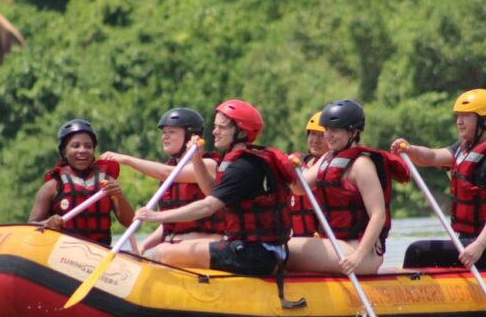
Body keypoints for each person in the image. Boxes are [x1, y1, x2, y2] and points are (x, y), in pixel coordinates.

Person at [134, 99, 296, 276]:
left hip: (257, 253)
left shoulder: (244, 167)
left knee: (162, 253)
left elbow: (208, 206)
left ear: (241, 132)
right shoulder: (234, 162)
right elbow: (211, 192)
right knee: (168, 249)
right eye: (215, 126)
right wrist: (197, 159)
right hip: (250, 248)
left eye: (222, 127)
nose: (214, 132)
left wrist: (156, 216)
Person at [392, 90, 486, 270]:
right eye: (458, 116)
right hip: (471, 242)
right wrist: (410, 150)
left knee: (418, 251)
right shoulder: (465, 149)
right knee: (423, 250)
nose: (459, 122)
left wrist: (479, 245)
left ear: (485, 120)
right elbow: (432, 157)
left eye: (466, 116)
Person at [288, 100, 408, 275]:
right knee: (279, 245)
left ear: (353, 132)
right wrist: (286, 170)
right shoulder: (328, 158)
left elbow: (378, 214)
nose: (328, 135)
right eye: (327, 129)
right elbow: (300, 189)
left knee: (284, 249)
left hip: (362, 252)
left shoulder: (362, 164)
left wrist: (358, 257)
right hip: (338, 245)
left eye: (334, 130)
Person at [100, 108, 223, 254]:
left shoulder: (208, 165)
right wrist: (143, 246)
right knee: (156, 253)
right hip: (172, 247)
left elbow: (166, 174)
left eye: (171, 132)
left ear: (191, 136)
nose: (165, 137)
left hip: (203, 245)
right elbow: (169, 225)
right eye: (164, 133)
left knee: (160, 252)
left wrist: (126, 160)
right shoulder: (170, 167)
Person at [29, 119, 135, 246]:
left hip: (99, 252)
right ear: (64, 151)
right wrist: (46, 223)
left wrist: (118, 195)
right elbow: (30, 227)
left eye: (88, 146)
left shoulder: (107, 181)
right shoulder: (52, 187)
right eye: (75, 146)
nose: (82, 150)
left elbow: (130, 222)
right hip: (63, 253)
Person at [289, 111, 327, 238]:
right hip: (295, 237)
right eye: (312, 134)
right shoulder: (296, 162)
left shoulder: (333, 168)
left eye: (322, 136)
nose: (315, 140)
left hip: (323, 240)